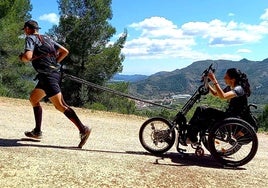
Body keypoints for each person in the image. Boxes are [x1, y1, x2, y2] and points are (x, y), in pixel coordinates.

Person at [19, 20, 91, 148]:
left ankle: (83, 129)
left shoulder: (30, 38)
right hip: (49, 75)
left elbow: (27, 57)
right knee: (33, 99)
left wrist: (22, 57)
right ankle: (37, 132)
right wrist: (54, 64)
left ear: (27, 28)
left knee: (60, 106)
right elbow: (65, 51)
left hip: (48, 77)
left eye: (24, 30)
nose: (24, 32)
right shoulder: (47, 38)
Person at [180, 68, 251, 146]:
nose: (224, 78)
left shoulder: (239, 89)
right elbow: (215, 93)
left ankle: (191, 137)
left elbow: (223, 96)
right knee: (201, 111)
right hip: (229, 115)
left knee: (205, 110)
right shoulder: (230, 88)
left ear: (232, 79)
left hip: (234, 118)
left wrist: (214, 80)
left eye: (226, 77)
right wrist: (206, 83)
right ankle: (191, 136)